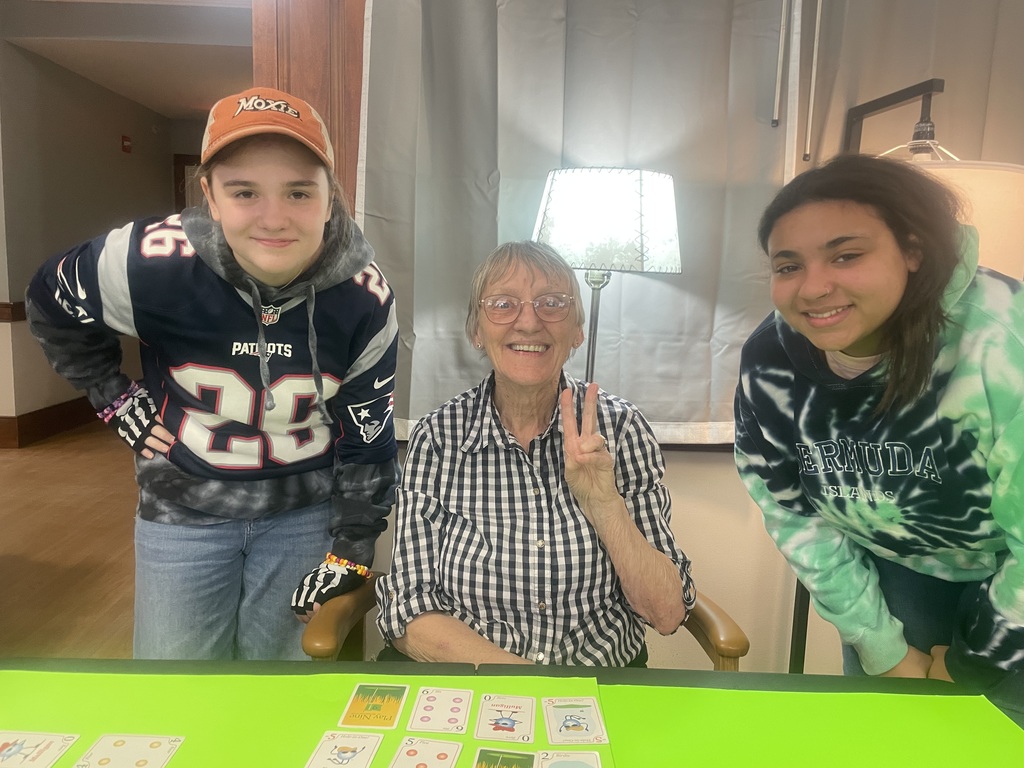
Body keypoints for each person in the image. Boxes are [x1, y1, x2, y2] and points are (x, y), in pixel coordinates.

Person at [25, 87, 400, 660]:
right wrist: (113, 397)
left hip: (303, 513)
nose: (273, 217)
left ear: (330, 198)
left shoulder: (364, 299)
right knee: (174, 687)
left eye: (299, 191)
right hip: (181, 506)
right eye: (244, 191)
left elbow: (367, 436)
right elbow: (49, 300)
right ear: (209, 197)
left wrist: (352, 547)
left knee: (281, 690)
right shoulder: (147, 262)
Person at [734, 153, 1024, 692]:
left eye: (845, 256)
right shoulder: (771, 356)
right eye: (788, 265)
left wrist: (973, 662)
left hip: (1013, 577)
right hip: (898, 566)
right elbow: (789, 506)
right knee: (895, 734)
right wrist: (880, 644)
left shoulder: (1005, 346)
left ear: (912, 249)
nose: (813, 288)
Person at [376, 240, 695, 666]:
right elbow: (410, 608)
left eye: (552, 303)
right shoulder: (438, 437)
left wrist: (604, 504)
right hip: (471, 682)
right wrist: (531, 687)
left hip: (597, 682)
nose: (528, 322)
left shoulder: (620, 429)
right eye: (503, 304)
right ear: (476, 330)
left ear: (577, 331)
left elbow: (666, 612)